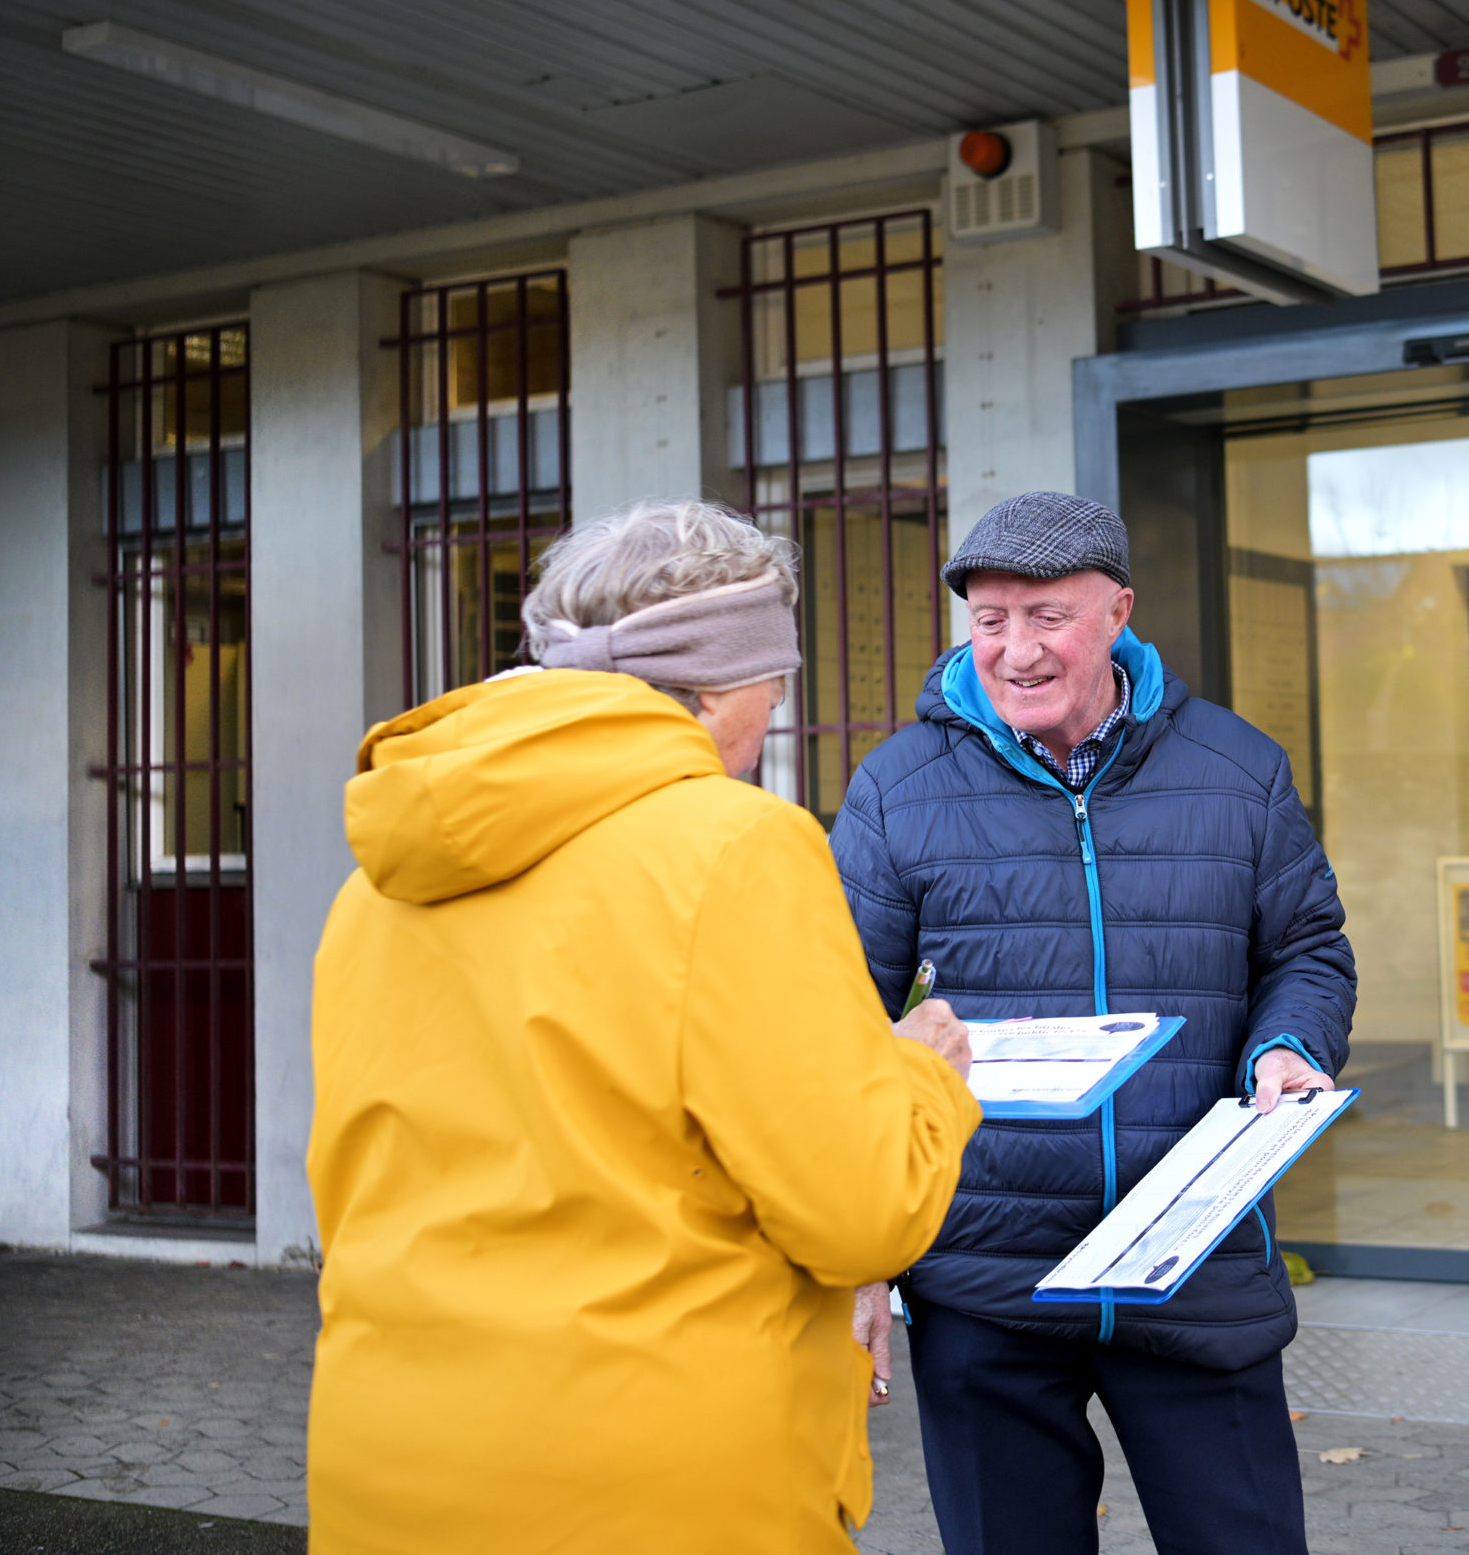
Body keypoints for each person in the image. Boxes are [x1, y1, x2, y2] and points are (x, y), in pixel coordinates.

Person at [305, 500, 980, 1555]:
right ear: (711, 686)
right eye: (773, 683)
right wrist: (924, 1073)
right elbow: (860, 1212)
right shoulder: (735, 844)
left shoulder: (379, 879)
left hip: (384, 1458)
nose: (772, 716)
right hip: (653, 1481)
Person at [830, 490, 1356, 1555]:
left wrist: (1287, 1048)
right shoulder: (896, 787)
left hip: (1193, 1256)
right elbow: (837, 1014)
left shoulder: (1236, 767)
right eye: (988, 620)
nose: (1014, 649)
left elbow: (1304, 948)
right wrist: (861, 1249)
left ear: (1118, 610)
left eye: (1046, 616)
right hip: (982, 1276)